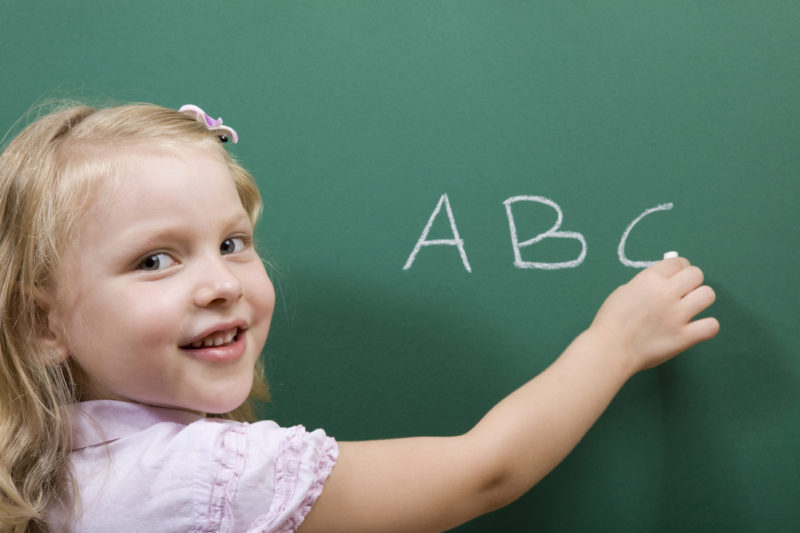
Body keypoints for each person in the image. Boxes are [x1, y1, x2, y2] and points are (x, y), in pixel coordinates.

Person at [0, 102, 719, 533]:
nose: (220, 282)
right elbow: (484, 470)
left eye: (231, 242)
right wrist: (615, 342)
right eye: (155, 260)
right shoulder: (198, 475)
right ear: (42, 325)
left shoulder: (56, 463)